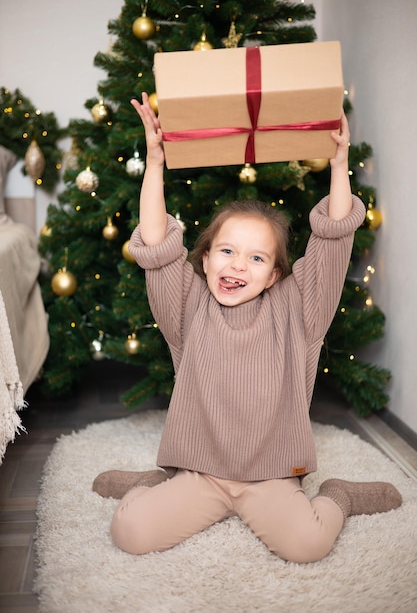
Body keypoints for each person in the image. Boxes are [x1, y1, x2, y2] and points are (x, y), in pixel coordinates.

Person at [93, 93, 402, 563]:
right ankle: (153, 484)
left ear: (275, 274)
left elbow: (334, 237)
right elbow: (155, 247)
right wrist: (155, 164)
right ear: (205, 258)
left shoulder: (299, 306)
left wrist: (339, 165)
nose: (238, 264)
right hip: (202, 473)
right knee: (129, 532)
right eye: (227, 251)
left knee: (309, 546)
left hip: (272, 475)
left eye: (256, 257)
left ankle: (340, 494)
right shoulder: (188, 304)